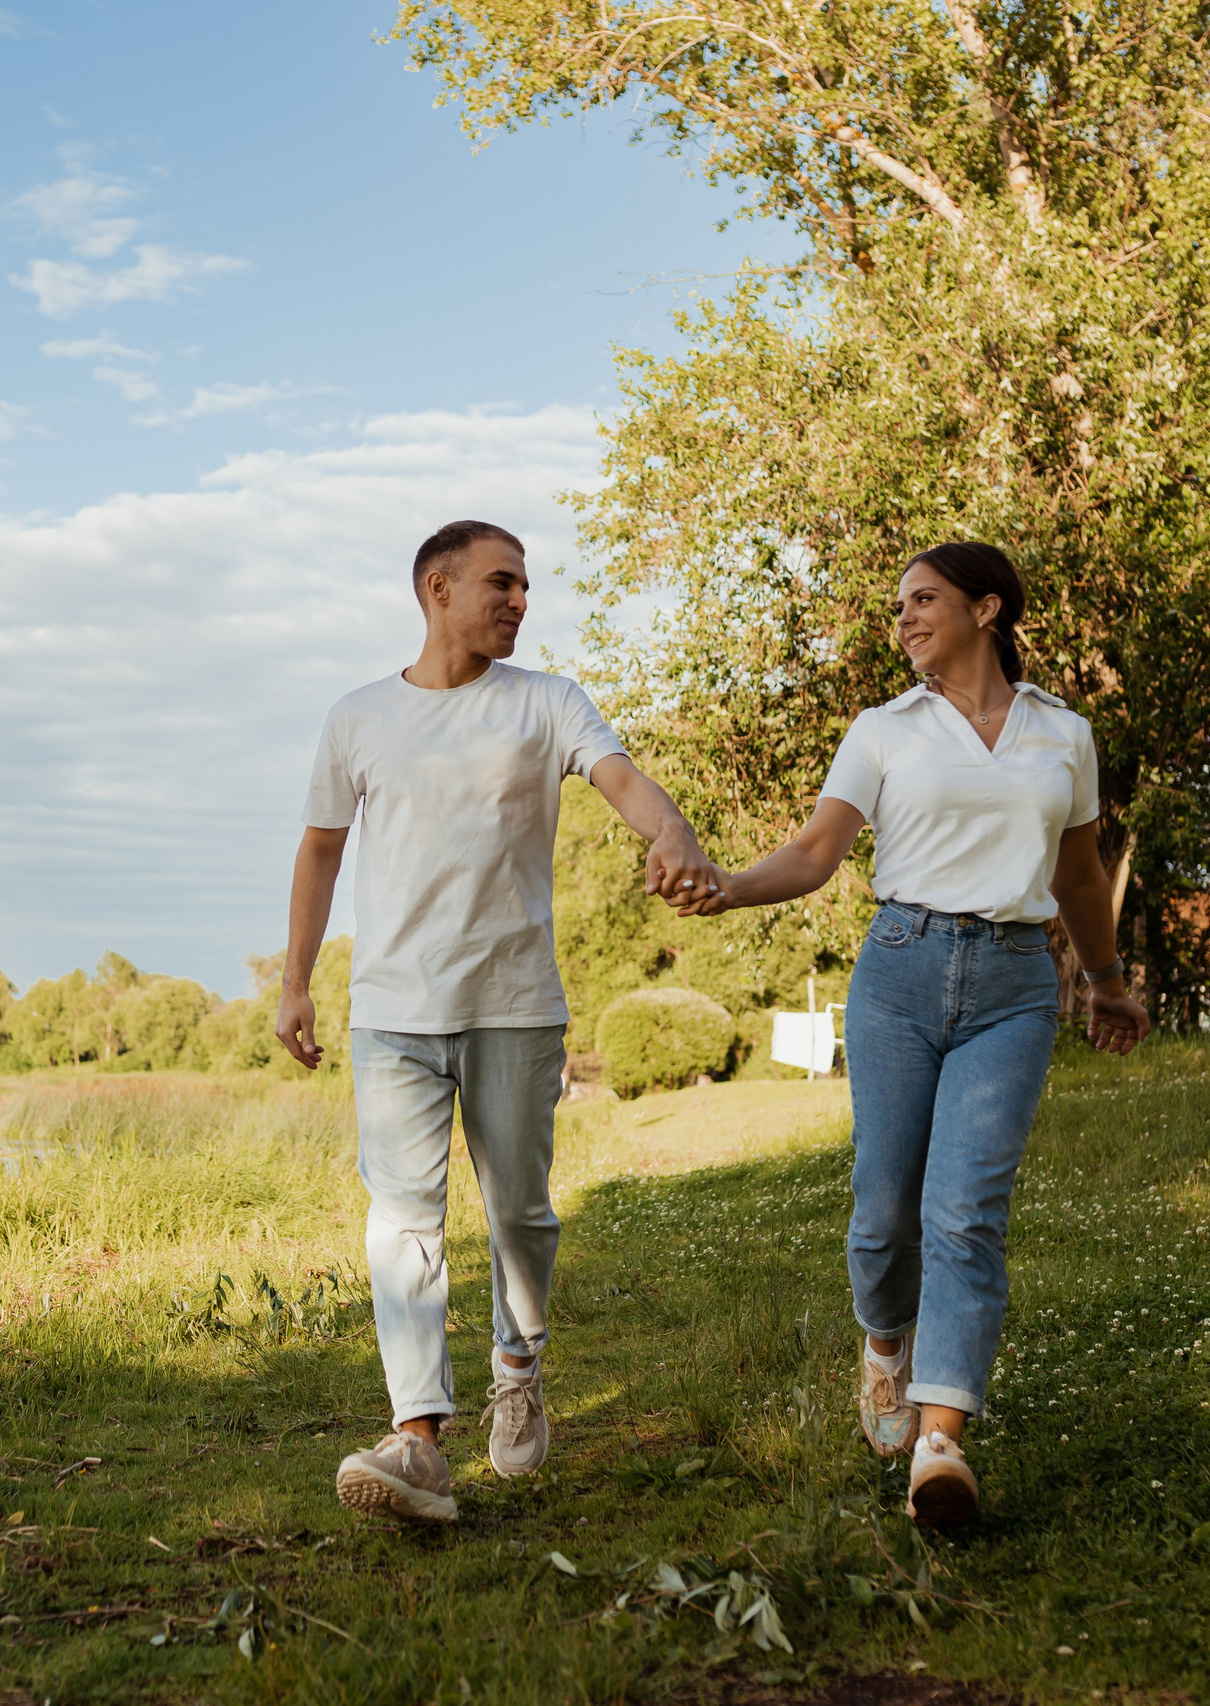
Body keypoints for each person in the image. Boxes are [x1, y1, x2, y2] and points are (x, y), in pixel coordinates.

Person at [673, 541, 1148, 1528]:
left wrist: (1105, 982)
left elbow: (1077, 875)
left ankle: (940, 1441)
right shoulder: (882, 729)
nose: (903, 618)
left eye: (922, 599)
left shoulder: (1063, 733)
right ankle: (885, 1339)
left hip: (1015, 984)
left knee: (966, 1209)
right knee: (883, 1210)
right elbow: (814, 851)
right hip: (899, 969)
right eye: (897, 606)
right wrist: (726, 884)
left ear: (987, 608)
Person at [277, 518, 724, 1524]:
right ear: (437, 587)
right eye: (501, 582)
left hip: (514, 1006)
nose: (521, 599)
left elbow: (623, 782)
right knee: (401, 1222)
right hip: (392, 1012)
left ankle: (516, 1366)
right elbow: (318, 851)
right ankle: (419, 1438)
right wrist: (296, 980)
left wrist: (674, 830)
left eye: (525, 586)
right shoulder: (357, 717)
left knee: (520, 1210)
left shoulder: (546, 702)